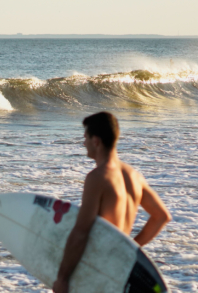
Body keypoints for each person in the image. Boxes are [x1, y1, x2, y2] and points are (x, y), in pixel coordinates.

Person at [53, 112, 171, 293]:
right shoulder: (134, 176)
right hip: (119, 270)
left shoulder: (98, 178)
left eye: (86, 137)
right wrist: (131, 249)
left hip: (96, 269)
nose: (83, 143)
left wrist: (62, 278)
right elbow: (161, 216)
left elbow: (81, 232)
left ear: (96, 141)